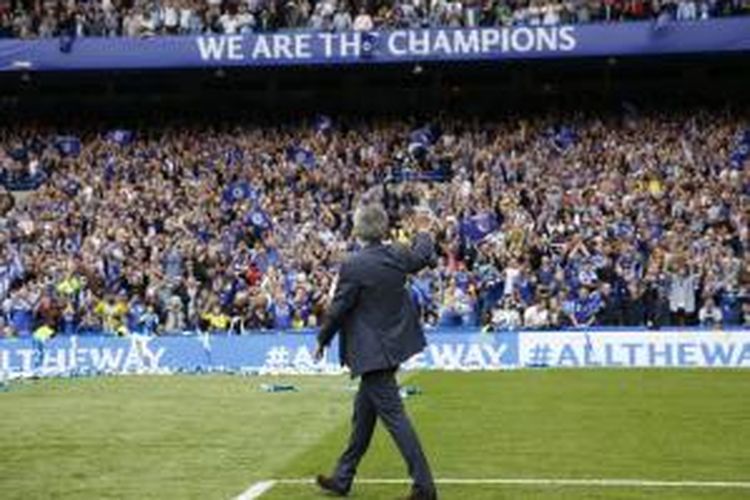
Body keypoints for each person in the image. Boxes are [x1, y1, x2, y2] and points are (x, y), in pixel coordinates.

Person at [313, 199, 437, 500]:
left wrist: (322, 339)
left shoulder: (354, 264)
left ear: (358, 229)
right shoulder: (396, 252)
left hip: (371, 352)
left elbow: (339, 308)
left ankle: (424, 488)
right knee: (363, 416)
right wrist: (422, 231)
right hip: (391, 346)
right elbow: (421, 255)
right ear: (382, 227)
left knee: (395, 418)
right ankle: (343, 478)